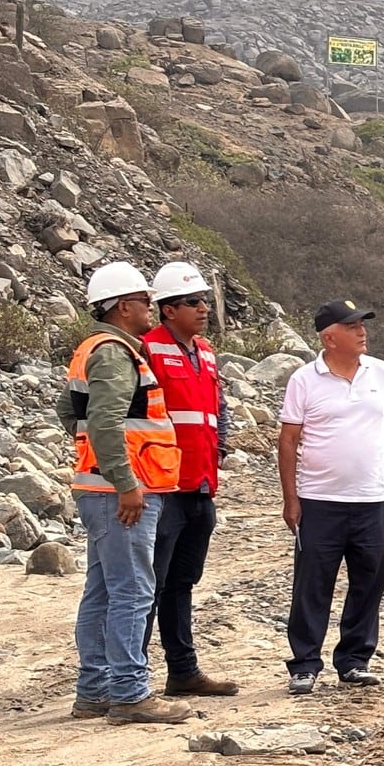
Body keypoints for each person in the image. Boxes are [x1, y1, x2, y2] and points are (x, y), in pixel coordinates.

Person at [60, 262, 192, 724]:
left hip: (99, 489)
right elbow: (103, 422)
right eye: (142, 300)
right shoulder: (115, 354)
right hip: (122, 494)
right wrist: (126, 483)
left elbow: (69, 412)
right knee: (133, 592)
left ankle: (95, 691)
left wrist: (103, 469)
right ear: (120, 307)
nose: (149, 306)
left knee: (102, 591)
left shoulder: (94, 349)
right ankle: (130, 694)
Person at [278, 299, 384, 695]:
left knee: (369, 583)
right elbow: (287, 441)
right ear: (329, 337)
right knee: (312, 585)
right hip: (319, 500)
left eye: (362, 324)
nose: (362, 332)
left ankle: (355, 661)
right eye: (352, 326)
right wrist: (291, 499)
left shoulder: (380, 372)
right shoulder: (304, 380)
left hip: (371, 500)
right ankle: (304, 665)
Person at [140, 261, 239, 697]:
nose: (204, 308)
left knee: (181, 582)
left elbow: (217, 408)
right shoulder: (146, 350)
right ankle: (131, 679)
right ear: (168, 310)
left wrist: (221, 447)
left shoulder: (207, 353)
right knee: (149, 585)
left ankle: (182, 670)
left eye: (205, 301)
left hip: (200, 485)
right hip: (162, 489)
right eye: (194, 302)